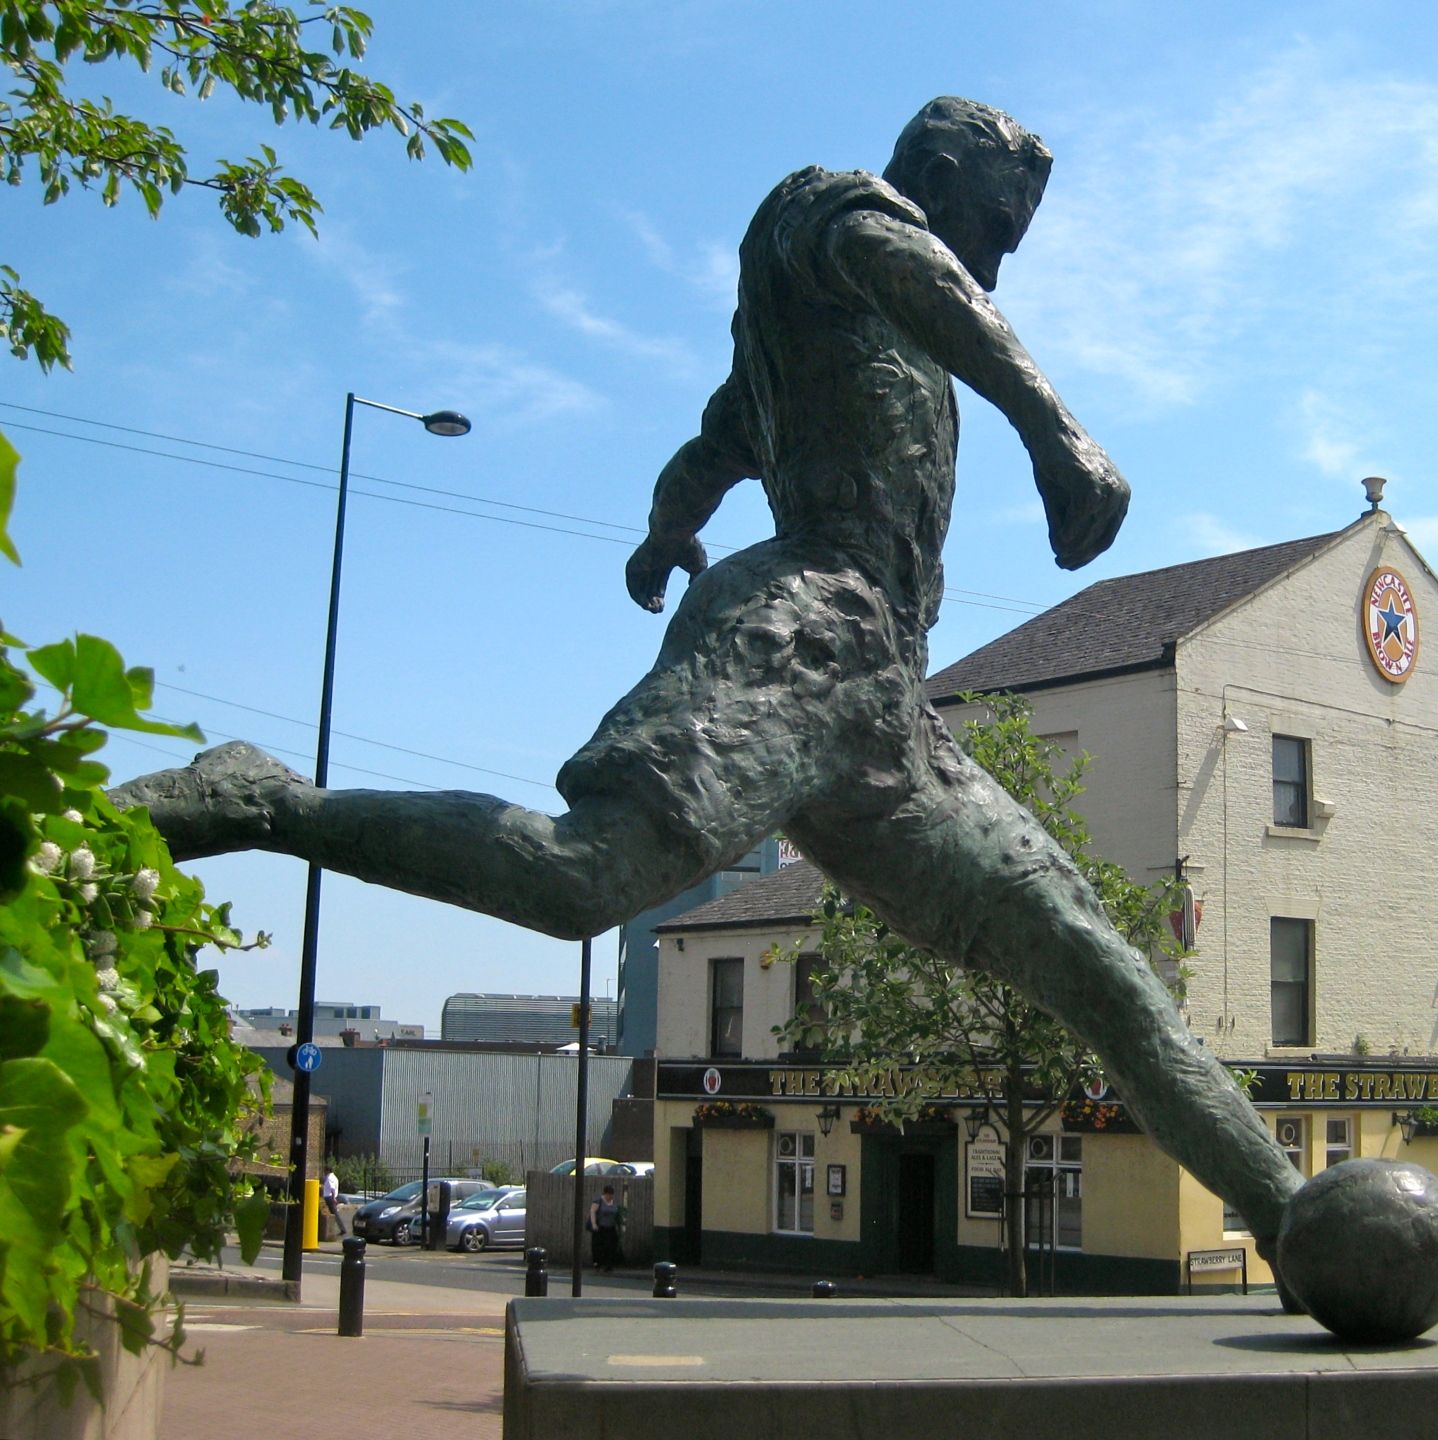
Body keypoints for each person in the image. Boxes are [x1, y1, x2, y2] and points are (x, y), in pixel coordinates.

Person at [113, 97, 1302, 1250]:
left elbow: (715, 442)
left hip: (885, 710)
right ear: (940, 184)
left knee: (1093, 959)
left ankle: (1296, 1218)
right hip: (801, 634)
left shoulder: (850, 338)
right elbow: (913, 276)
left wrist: (664, 530)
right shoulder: (829, 217)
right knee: (585, 878)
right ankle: (263, 799)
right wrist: (1055, 432)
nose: (994, 268)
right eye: (995, 230)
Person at [588, 1185, 622, 1273]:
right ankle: (598, 1264)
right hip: (601, 1228)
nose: (610, 1197)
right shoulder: (598, 1201)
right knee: (599, 1247)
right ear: (605, 1194)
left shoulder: (613, 1203)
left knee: (611, 1246)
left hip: (611, 1228)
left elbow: (617, 1214)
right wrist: (594, 1224)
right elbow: (592, 1211)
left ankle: (609, 1265)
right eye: (609, 1195)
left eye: (612, 1195)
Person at [321, 1164, 342, 1231]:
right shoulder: (333, 1177)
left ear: (327, 1171)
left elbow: (332, 1189)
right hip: (330, 1197)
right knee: (333, 1214)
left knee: (334, 1214)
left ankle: (342, 1229)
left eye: (324, 1170)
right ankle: (340, 1228)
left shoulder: (330, 1178)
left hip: (330, 1198)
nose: (324, 1172)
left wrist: (333, 1198)